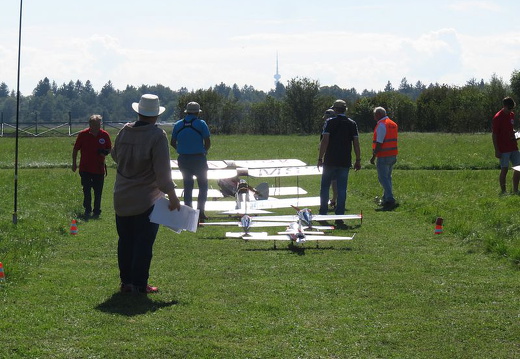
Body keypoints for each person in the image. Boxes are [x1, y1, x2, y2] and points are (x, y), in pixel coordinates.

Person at [111, 94, 181, 294]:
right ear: (156, 115)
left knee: (125, 241)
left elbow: (115, 155)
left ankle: (126, 283)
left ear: (139, 111)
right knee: (143, 243)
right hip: (146, 199)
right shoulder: (157, 136)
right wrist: (173, 197)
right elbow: (162, 172)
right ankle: (140, 285)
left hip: (122, 196)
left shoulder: (124, 131)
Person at [317, 99, 361, 225]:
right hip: (345, 161)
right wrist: (358, 160)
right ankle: (339, 215)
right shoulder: (352, 124)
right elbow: (356, 144)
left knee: (325, 188)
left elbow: (324, 141)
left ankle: (323, 214)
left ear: (335, 110)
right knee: (342, 189)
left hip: (330, 160)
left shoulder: (329, 122)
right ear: (345, 109)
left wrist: (320, 158)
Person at [171, 102, 211, 222]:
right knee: (203, 186)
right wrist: (204, 151)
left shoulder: (178, 124)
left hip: (183, 159)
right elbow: (208, 141)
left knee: (188, 186)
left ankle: (188, 213)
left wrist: (180, 150)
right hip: (199, 159)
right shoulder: (201, 124)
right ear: (198, 112)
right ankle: (201, 212)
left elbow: (172, 142)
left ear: (187, 112)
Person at [72, 114, 112, 218]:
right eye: (94, 124)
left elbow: (109, 149)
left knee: (98, 191)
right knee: (86, 190)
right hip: (85, 168)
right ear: (90, 124)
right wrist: (74, 163)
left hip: (99, 169)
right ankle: (87, 209)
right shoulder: (83, 134)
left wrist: (105, 152)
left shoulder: (105, 135)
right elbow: (76, 149)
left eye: (99, 124)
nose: (97, 126)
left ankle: (97, 211)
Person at [370, 106, 398, 210]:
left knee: (383, 178)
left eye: (374, 115)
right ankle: (386, 198)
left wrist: (374, 156)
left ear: (378, 115)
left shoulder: (381, 125)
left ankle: (390, 199)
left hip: (383, 155)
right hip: (392, 154)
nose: (374, 117)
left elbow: (379, 142)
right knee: (388, 177)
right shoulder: (392, 124)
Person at [492, 96, 520, 194]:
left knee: (518, 167)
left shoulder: (511, 115)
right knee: (505, 169)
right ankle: (504, 192)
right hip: (503, 149)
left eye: (512, 108)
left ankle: (516, 190)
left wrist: (515, 134)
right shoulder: (497, 117)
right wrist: (497, 150)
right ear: (504, 106)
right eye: (509, 108)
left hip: (513, 146)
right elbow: (494, 134)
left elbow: (509, 128)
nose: (511, 110)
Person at [321, 108, 338, 209]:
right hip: (340, 157)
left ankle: (332, 200)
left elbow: (324, 141)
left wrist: (320, 157)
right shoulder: (341, 125)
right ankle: (335, 199)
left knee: (331, 181)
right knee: (336, 180)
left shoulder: (327, 126)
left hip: (330, 157)